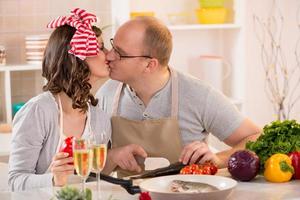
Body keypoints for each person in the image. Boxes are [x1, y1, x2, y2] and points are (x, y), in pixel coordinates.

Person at [97, 16, 261, 177]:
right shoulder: (107, 93)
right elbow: (87, 158)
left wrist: (220, 159)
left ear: (149, 65)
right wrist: (111, 155)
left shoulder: (198, 95)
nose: (109, 56)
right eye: (113, 46)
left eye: (120, 53)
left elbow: (257, 136)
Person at [8, 8, 111, 191]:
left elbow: (94, 181)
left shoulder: (99, 117)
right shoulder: (39, 111)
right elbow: (15, 181)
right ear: (78, 57)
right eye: (101, 47)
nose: (109, 54)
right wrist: (53, 179)